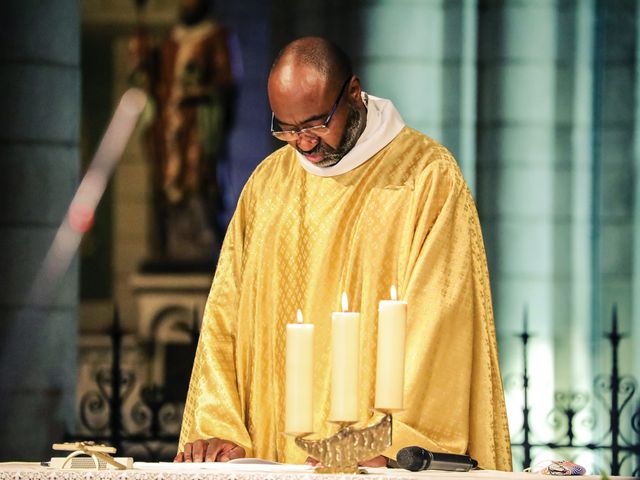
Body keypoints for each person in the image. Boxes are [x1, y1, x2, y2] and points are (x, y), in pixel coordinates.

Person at [174, 36, 512, 470]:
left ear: (353, 92)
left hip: (376, 461)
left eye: (315, 123)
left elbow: (441, 325)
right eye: (286, 128)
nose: (303, 144)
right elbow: (225, 318)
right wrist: (218, 424)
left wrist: (396, 444)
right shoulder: (267, 185)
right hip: (269, 452)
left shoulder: (426, 178)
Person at [129, 0, 235, 263]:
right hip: (169, 128)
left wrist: (201, 90)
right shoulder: (171, 40)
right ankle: (170, 245)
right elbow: (153, 77)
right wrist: (144, 62)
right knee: (167, 183)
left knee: (197, 180)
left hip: (197, 125)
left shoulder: (216, 37)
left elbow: (227, 84)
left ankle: (202, 242)